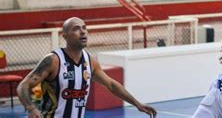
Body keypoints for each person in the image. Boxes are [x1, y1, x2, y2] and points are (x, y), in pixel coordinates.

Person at [16, 17, 157, 118]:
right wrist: (31, 108)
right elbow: (23, 86)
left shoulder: (90, 61)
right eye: (76, 29)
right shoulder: (53, 60)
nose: (82, 32)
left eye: (84, 28)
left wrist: (137, 104)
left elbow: (112, 85)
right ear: (65, 36)